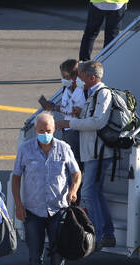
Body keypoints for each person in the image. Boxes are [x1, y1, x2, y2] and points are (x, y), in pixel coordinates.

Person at [13, 113, 82, 265]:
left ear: (55, 130)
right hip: (33, 211)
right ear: (35, 131)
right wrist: (18, 204)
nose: (45, 134)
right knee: (35, 257)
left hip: (58, 210)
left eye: (49, 131)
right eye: (42, 131)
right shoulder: (25, 149)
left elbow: (76, 173)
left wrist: (73, 190)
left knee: (58, 255)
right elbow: (16, 177)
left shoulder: (63, 148)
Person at [56, 60, 116, 248]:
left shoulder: (103, 94)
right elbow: (91, 118)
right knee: (94, 192)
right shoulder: (92, 94)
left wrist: (70, 124)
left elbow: (97, 122)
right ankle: (106, 233)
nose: (78, 79)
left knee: (89, 192)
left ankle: (99, 234)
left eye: (81, 76)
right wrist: (79, 113)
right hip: (91, 151)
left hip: (98, 152)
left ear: (91, 77)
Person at [39, 59, 85, 172]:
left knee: (75, 163)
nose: (64, 79)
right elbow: (67, 108)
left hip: (76, 130)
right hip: (67, 129)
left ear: (74, 75)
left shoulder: (83, 90)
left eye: (65, 76)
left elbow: (78, 111)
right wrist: (53, 107)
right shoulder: (67, 89)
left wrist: (78, 112)